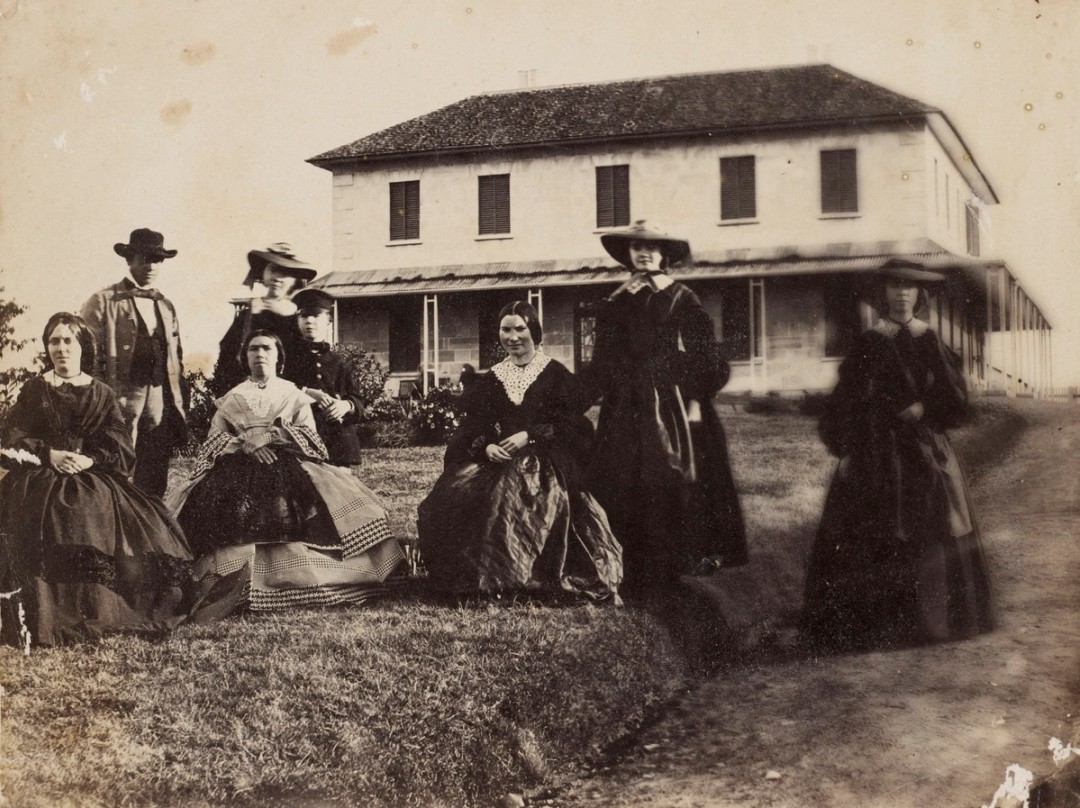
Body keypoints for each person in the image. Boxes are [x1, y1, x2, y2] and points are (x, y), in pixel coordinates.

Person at [800, 260, 994, 651]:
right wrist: (849, 444)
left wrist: (924, 408)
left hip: (924, 449)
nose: (901, 293)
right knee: (874, 524)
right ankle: (879, 625)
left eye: (909, 287)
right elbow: (846, 401)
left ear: (920, 295)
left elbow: (955, 400)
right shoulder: (870, 341)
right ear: (883, 293)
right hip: (878, 449)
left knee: (935, 523)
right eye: (894, 286)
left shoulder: (930, 339)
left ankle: (933, 622)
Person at [168, 330, 404, 612]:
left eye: (267, 349)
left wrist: (270, 437)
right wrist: (245, 444)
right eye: (253, 349)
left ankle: (296, 581)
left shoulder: (292, 394)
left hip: (286, 467)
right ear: (245, 357)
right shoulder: (232, 397)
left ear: (279, 357)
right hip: (236, 469)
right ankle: (234, 584)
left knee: (292, 511)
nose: (260, 354)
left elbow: (312, 439)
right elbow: (213, 441)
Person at [0, 314, 200, 645]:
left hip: (91, 475)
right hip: (39, 475)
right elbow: (11, 436)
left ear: (83, 347)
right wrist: (49, 455)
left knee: (90, 506)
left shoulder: (101, 393)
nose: (61, 348)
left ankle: (92, 606)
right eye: (54, 340)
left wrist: (90, 459)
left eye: (69, 341)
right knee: (38, 513)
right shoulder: (35, 389)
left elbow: (119, 443)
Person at [578, 220, 747, 596]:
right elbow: (603, 360)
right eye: (636, 247)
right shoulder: (615, 301)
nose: (644, 253)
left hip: (669, 403)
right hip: (624, 405)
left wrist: (675, 373)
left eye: (652, 247)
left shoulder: (681, 296)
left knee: (670, 473)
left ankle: (674, 558)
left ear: (664, 255)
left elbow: (710, 358)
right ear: (628, 254)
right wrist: (580, 394)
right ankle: (626, 557)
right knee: (621, 474)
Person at [417, 302, 622, 602]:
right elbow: (475, 426)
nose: (512, 337)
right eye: (505, 329)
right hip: (498, 458)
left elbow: (571, 425)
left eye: (520, 329)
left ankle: (522, 576)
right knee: (448, 499)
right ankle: (481, 575)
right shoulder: (492, 378)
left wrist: (530, 435)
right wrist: (486, 445)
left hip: (547, 461)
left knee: (515, 497)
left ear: (534, 331)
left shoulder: (554, 374)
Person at [81, 228, 187, 497]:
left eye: (158, 259)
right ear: (130, 260)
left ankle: (151, 527)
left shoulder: (165, 305)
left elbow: (176, 359)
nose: (151, 266)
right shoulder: (102, 302)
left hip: (160, 399)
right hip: (118, 397)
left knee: (153, 471)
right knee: (116, 467)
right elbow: (88, 359)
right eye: (145, 258)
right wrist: (101, 403)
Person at [210, 243, 315, 398]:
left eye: (285, 272)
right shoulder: (247, 317)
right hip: (252, 400)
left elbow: (311, 366)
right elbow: (226, 360)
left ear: (294, 280)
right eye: (273, 270)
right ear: (263, 275)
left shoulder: (303, 317)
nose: (277, 278)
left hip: (291, 400)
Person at [289, 288, 369, 467]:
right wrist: (307, 393)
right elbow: (280, 391)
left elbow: (357, 400)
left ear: (329, 322)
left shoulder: (339, 361)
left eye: (316, 316)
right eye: (303, 316)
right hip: (302, 441)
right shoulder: (288, 360)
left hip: (338, 444)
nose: (309, 321)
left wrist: (345, 406)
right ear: (298, 321)